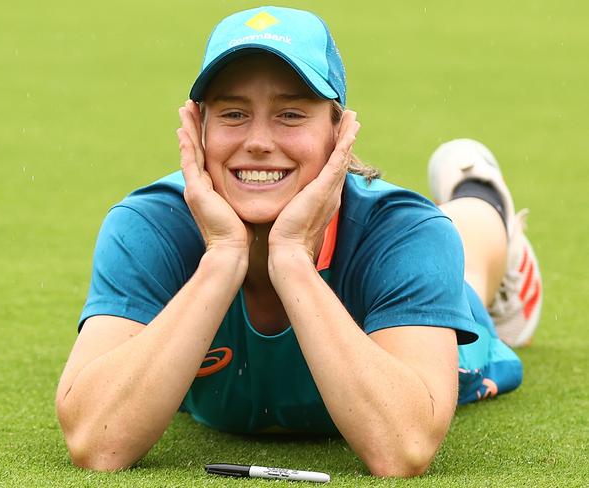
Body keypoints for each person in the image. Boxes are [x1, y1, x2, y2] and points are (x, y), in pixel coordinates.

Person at [55, 6, 543, 477]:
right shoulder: (148, 225)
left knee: (469, 273)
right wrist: (224, 256)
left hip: (427, 287)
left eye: (290, 114)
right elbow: (95, 442)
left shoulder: (405, 233)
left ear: (339, 131)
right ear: (197, 128)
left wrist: (290, 259)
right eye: (232, 114)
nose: (260, 141)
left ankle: (478, 192)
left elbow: (403, 448)